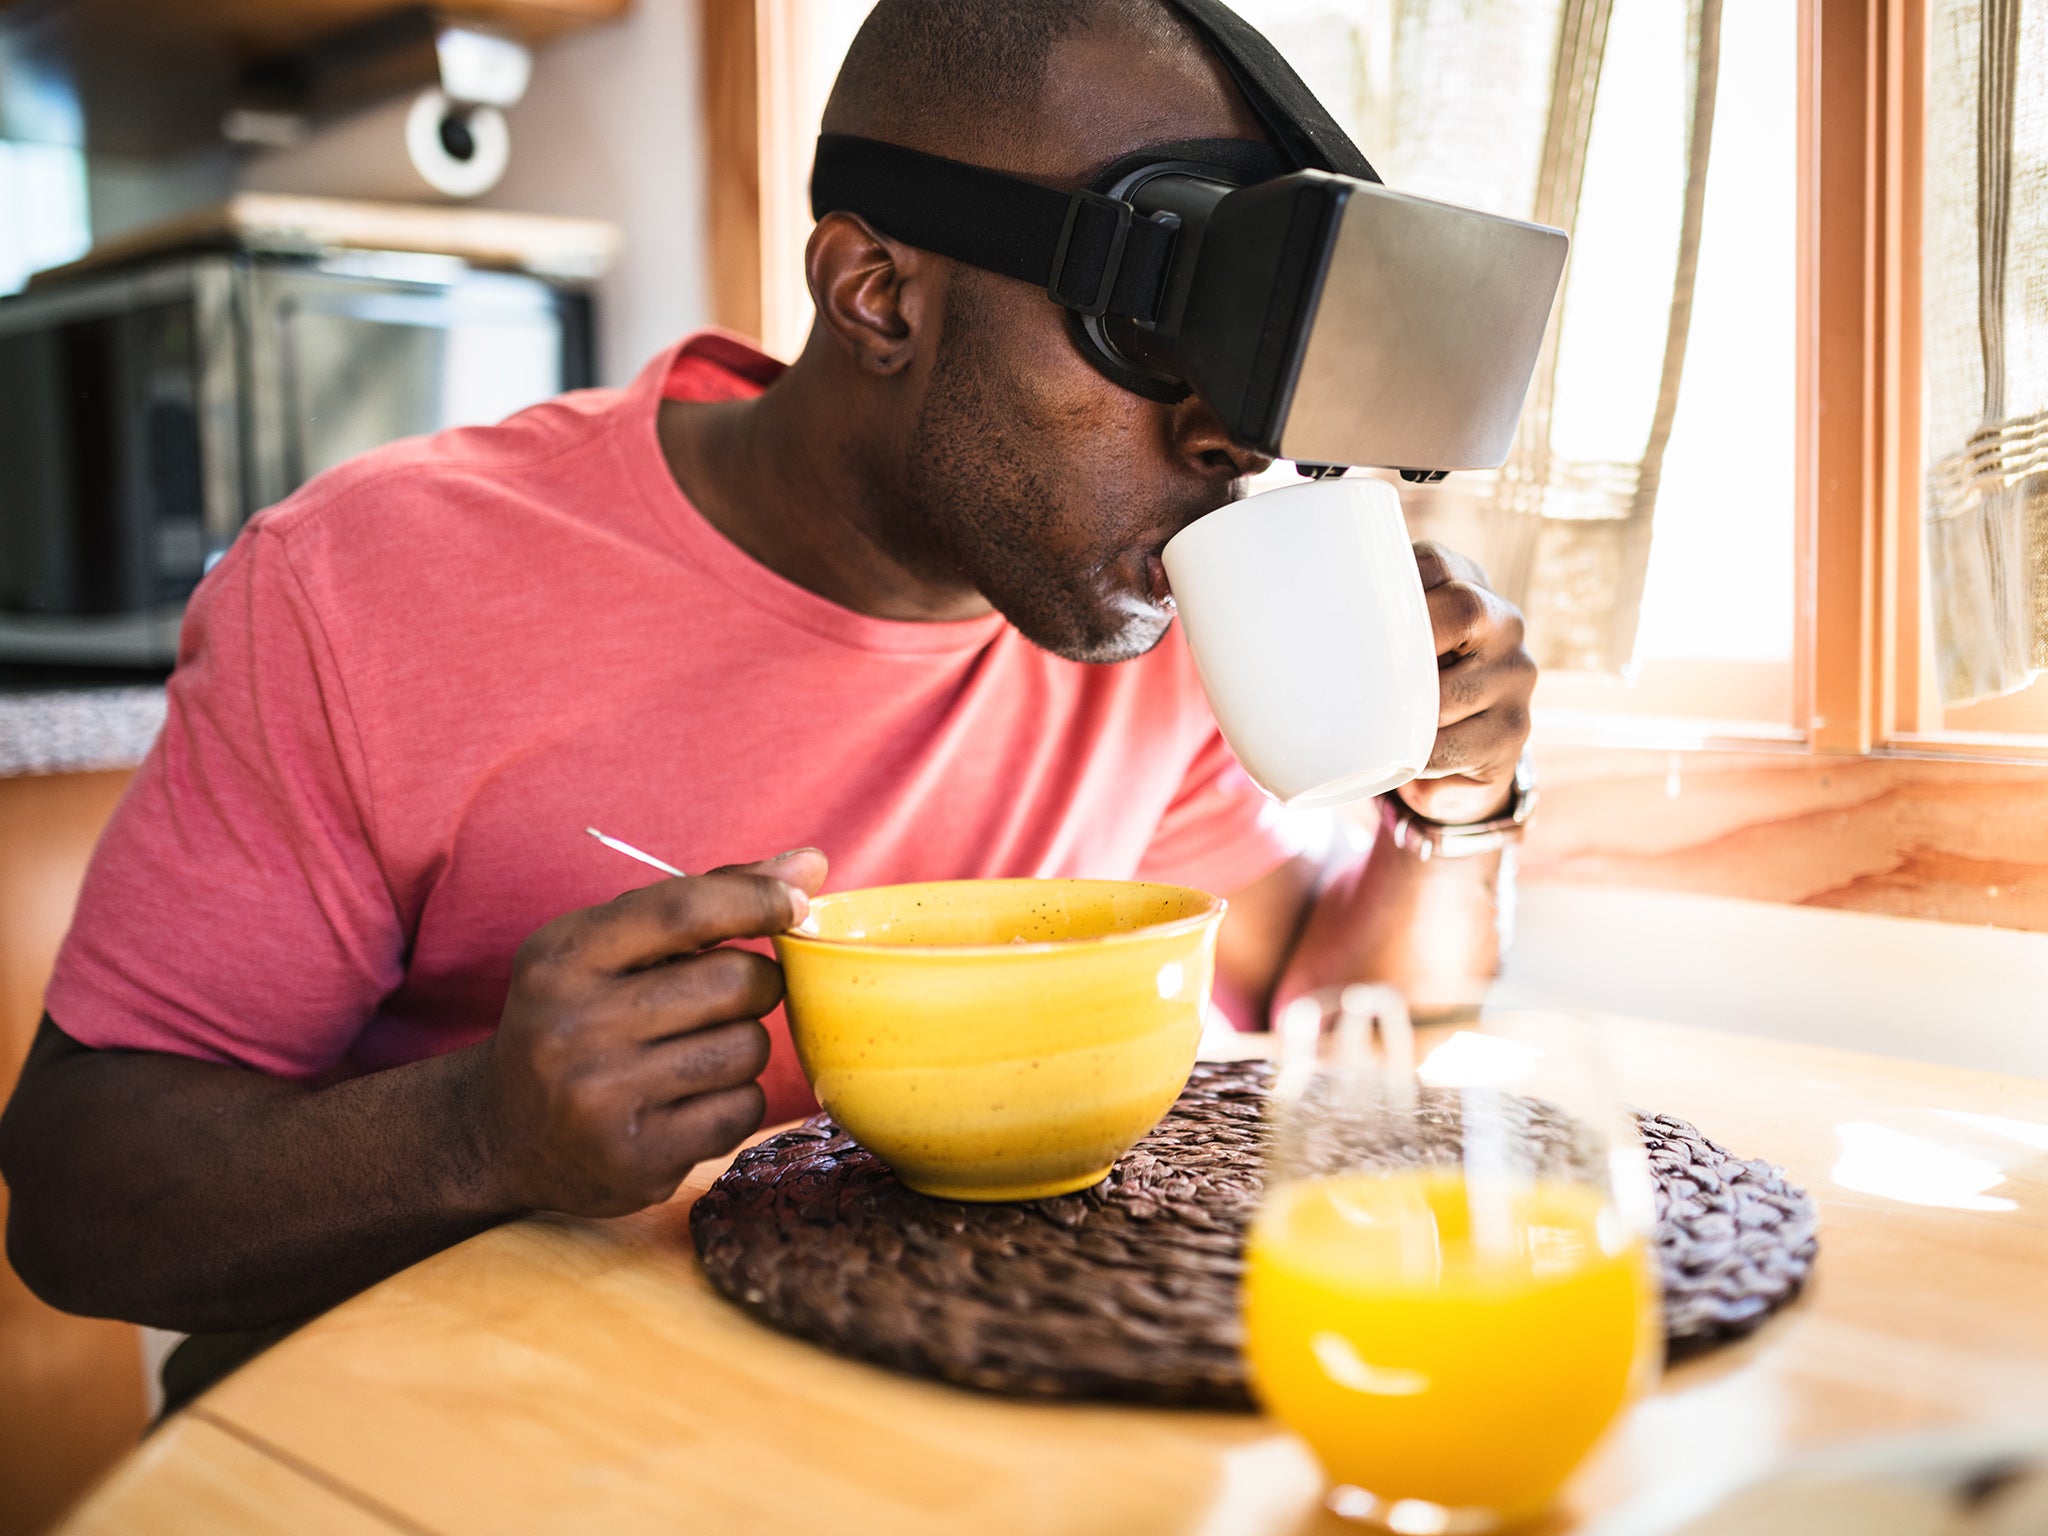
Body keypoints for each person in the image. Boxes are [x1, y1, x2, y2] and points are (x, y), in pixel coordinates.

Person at [0, 0, 1534, 1371]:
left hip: (922, 1395)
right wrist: (476, 1133)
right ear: (876, 293)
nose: (1226, 438)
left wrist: (1453, 808)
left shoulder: (1148, 602)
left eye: (1245, 362)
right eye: (1150, 332)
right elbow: (78, 1200)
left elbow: (1350, 1033)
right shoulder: (366, 583)